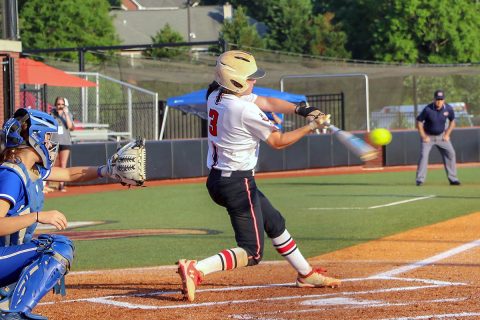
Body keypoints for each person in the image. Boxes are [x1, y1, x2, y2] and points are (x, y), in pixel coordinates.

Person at [178, 50, 340, 303]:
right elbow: (278, 141)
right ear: (235, 81)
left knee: (274, 221)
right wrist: (310, 126)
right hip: (236, 183)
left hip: (221, 179)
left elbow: (266, 101)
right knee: (252, 252)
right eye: (250, 78)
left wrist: (304, 109)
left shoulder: (215, 93)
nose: (254, 81)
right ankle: (197, 269)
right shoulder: (242, 110)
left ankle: (305, 274)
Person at [0, 108, 130, 320]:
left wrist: (106, 171)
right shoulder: (11, 175)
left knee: (57, 243)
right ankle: (12, 312)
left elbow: (69, 174)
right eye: (48, 137)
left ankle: (7, 303)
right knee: (55, 247)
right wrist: (37, 217)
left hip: (4, 256)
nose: (51, 144)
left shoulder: (30, 169)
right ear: (36, 138)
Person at [415, 89, 461, 186]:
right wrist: (423, 136)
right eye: (437, 99)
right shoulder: (427, 109)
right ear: (434, 99)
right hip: (428, 137)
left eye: (441, 99)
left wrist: (447, 134)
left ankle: (453, 179)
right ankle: (420, 180)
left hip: (441, 137)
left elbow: (452, 121)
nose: (439, 101)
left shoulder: (448, 109)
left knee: (451, 153)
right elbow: (419, 122)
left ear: (444, 100)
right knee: (424, 156)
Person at [50, 97, 75, 192]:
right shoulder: (52, 114)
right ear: (55, 105)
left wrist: (65, 114)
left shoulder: (68, 114)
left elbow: (70, 126)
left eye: (62, 104)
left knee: (63, 164)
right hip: (54, 141)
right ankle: (51, 184)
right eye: (58, 104)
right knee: (52, 163)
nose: (60, 106)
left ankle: (61, 184)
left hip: (65, 141)